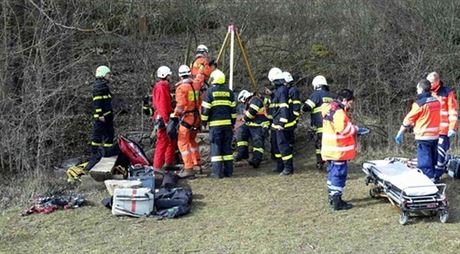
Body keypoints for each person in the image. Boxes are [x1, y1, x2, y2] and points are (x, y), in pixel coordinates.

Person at [395, 79, 441, 182]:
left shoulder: (419, 104)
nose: (416, 90)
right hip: (435, 136)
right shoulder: (436, 101)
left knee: (425, 162)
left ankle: (428, 181)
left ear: (421, 89)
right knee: (433, 158)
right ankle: (435, 177)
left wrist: (400, 132)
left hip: (423, 136)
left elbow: (408, 120)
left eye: (417, 88)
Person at [321, 88, 358, 211]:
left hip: (329, 149)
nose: (350, 105)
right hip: (338, 150)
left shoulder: (328, 108)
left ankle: (332, 197)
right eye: (350, 103)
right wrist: (356, 130)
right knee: (339, 175)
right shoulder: (339, 112)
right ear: (345, 100)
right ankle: (337, 201)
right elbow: (343, 129)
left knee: (332, 174)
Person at [201, 69, 236, 178]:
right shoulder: (230, 92)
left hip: (215, 126)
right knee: (227, 149)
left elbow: (205, 110)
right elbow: (233, 111)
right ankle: (229, 172)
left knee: (216, 148)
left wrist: (203, 122)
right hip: (227, 126)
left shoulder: (210, 92)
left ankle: (216, 173)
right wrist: (232, 123)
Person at [427, 72, 458, 181]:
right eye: (428, 82)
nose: (429, 85)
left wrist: (452, 127)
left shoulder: (447, 92)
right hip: (429, 131)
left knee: (441, 153)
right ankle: (430, 175)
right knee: (429, 154)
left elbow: (453, 111)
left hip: (443, 130)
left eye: (431, 82)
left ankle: (437, 176)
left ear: (437, 81)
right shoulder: (427, 92)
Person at [173, 65, 202, 179]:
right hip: (196, 117)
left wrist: (175, 115)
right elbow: (199, 101)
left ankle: (188, 168)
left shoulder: (181, 88)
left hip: (187, 118)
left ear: (180, 75)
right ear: (189, 73)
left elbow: (180, 105)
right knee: (192, 140)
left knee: (182, 142)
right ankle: (197, 164)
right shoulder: (196, 85)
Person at [268, 67, 296, 176]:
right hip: (276, 123)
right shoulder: (278, 91)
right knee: (277, 147)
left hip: (281, 125)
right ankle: (280, 166)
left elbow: (284, 107)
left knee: (283, 146)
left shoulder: (282, 90)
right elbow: (276, 105)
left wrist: (282, 123)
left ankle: (288, 168)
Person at [303, 75, 334, 170]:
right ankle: (331, 163)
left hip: (320, 125)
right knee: (330, 145)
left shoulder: (316, 94)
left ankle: (320, 163)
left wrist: (302, 108)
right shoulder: (331, 95)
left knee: (319, 145)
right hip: (332, 126)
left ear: (316, 85)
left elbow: (307, 107)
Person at [88, 65, 115, 170]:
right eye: (108, 74)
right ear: (103, 75)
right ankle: (95, 156)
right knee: (97, 137)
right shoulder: (99, 87)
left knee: (109, 135)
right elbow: (97, 103)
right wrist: (99, 115)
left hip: (107, 117)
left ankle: (106, 154)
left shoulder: (103, 86)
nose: (110, 76)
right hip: (102, 118)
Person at [234, 90, 270, 168]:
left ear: (244, 98)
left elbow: (252, 112)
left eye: (242, 100)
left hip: (259, 124)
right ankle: (242, 154)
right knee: (241, 133)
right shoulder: (250, 102)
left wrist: (244, 119)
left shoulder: (255, 100)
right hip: (252, 124)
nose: (242, 102)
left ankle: (256, 161)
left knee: (257, 143)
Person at [151, 66, 176, 174]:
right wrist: (166, 121)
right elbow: (162, 105)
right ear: (166, 75)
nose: (171, 76)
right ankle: (157, 166)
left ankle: (168, 163)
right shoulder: (162, 86)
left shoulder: (162, 86)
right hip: (163, 118)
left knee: (170, 140)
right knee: (162, 142)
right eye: (169, 75)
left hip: (163, 117)